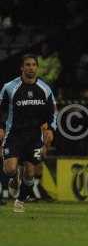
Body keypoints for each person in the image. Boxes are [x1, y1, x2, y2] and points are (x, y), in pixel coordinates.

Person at [0, 54, 57, 212]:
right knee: (9, 169)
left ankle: (20, 201)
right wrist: (1, 127)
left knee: (31, 172)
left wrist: (51, 129)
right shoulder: (10, 87)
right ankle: (14, 177)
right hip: (14, 134)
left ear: (37, 67)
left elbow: (53, 112)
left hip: (34, 136)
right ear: (22, 68)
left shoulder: (45, 89)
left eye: (33, 65)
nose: (31, 68)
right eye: (28, 65)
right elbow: (1, 109)